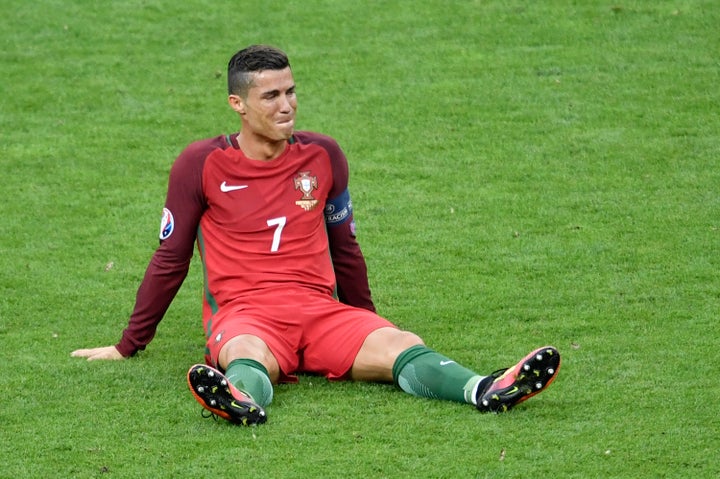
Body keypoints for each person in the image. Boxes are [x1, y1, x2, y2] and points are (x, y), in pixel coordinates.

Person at [71, 45, 561, 426]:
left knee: (401, 343)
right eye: (271, 96)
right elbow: (170, 257)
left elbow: (343, 244)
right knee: (246, 355)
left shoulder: (323, 156)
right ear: (237, 104)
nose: (287, 106)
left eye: (290, 91)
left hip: (320, 311)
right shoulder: (200, 165)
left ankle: (485, 389)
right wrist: (128, 344)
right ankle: (241, 401)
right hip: (246, 314)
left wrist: (367, 321)